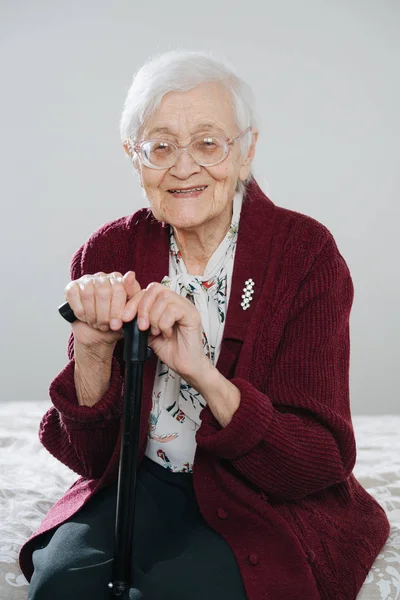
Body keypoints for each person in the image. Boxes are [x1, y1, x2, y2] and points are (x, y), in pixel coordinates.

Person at [20, 50, 390, 600]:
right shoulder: (108, 250)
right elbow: (93, 460)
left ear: (246, 153)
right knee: (58, 588)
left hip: (260, 496)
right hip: (139, 484)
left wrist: (205, 376)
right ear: (134, 158)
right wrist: (93, 348)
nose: (184, 165)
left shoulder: (306, 253)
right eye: (160, 146)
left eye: (209, 143)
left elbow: (320, 461)